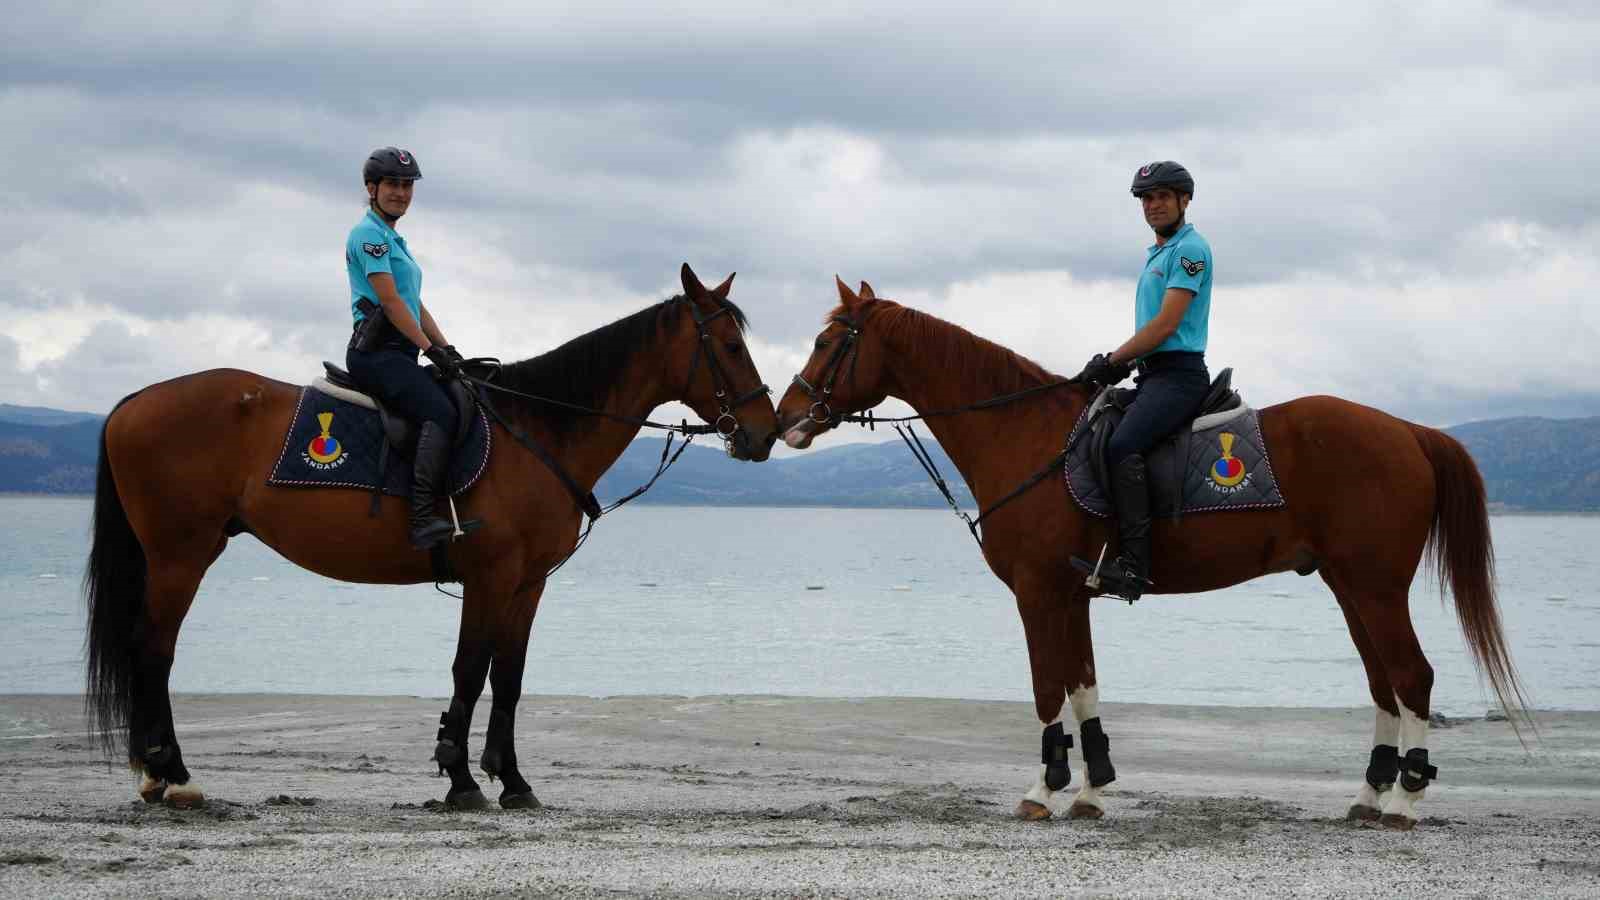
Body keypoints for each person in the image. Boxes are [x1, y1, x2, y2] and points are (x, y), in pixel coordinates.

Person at [1077, 161, 1213, 602]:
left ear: (1184, 200)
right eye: (1147, 199)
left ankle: (1135, 567)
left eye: (1162, 197)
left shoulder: (1191, 251)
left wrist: (1114, 360)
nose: (1153, 205)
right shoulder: (1157, 253)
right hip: (1153, 375)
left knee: (1123, 446)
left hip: (1179, 377)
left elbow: (1167, 324)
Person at [345, 146, 473, 550]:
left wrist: (447, 348)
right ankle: (420, 519)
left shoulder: (394, 239)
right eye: (392, 185)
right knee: (440, 411)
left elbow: (415, 303)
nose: (401, 193)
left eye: (406, 185)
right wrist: (429, 349)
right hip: (376, 354)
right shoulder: (368, 236)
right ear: (372, 188)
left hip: (401, 352)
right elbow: (392, 303)